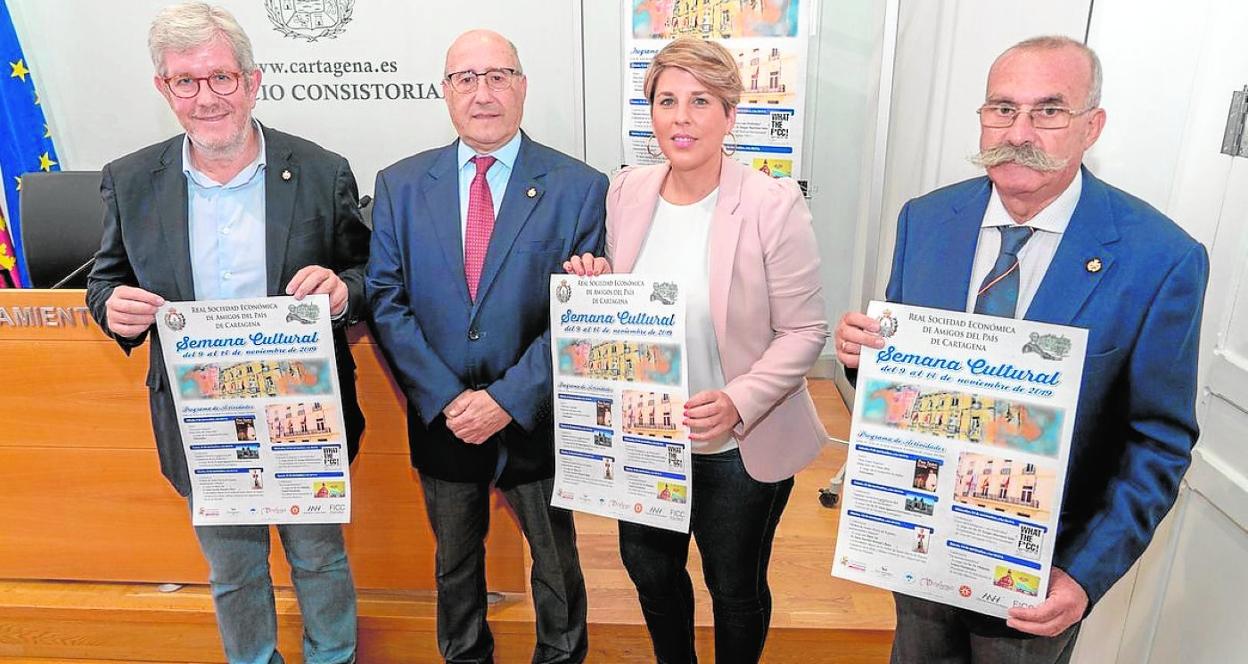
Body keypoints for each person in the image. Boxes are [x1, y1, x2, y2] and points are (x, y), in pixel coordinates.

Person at [834, 36, 1208, 664]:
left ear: (1092, 126)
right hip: (918, 545)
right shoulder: (926, 220)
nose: (1019, 131)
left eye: (1049, 110)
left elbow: (1159, 441)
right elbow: (904, 386)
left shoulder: (1160, 258)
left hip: (1040, 573)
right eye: (1003, 108)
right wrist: (862, 355)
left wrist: (1085, 574)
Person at [84, 4, 368, 663]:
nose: (206, 97)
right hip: (201, 420)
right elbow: (105, 279)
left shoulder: (321, 171)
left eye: (221, 77)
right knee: (233, 570)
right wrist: (112, 307)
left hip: (302, 413)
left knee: (319, 559)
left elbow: (366, 273)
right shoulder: (131, 180)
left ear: (252, 80)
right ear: (164, 88)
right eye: (186, 81)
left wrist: (342, 291)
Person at [564, 37, 828, 664]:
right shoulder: (627, 191)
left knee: (733, 586)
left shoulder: (771, 204)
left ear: (730, 115)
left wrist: (738, 401)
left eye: (701, 101)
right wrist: (597, 285)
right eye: (667, 101)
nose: (681, 118)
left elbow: (805, 331)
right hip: (646, 437)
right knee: (650, 572)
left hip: (737, 446)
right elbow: (635, 304)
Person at [365, 29, 605, 664]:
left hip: (535, 413)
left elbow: (582, 312)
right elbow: (386, 299)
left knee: (556, 562)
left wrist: (506, 399)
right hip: (442, 415)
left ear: (522, 87)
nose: (483, 93)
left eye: (498, 76)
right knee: (454, 564)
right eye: (465, 79)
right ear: (445, 92)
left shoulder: (579, 187)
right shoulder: (400, 185)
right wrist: (447, 399)